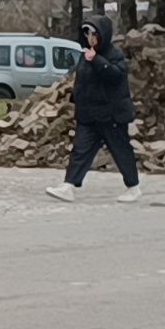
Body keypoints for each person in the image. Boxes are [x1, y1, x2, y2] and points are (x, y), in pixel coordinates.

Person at [46, 15, 140, 203]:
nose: (90, 38)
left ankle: (133, 187)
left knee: (120, 150)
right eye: (87, 34)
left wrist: (97, 60)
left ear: (103, 35)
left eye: (94, 34)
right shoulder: (85, 55)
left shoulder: (114, 55)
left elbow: (115, 76)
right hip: (89, 115)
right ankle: (69, 185)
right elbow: (82, 81)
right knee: (80, 150)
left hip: (111, 115)